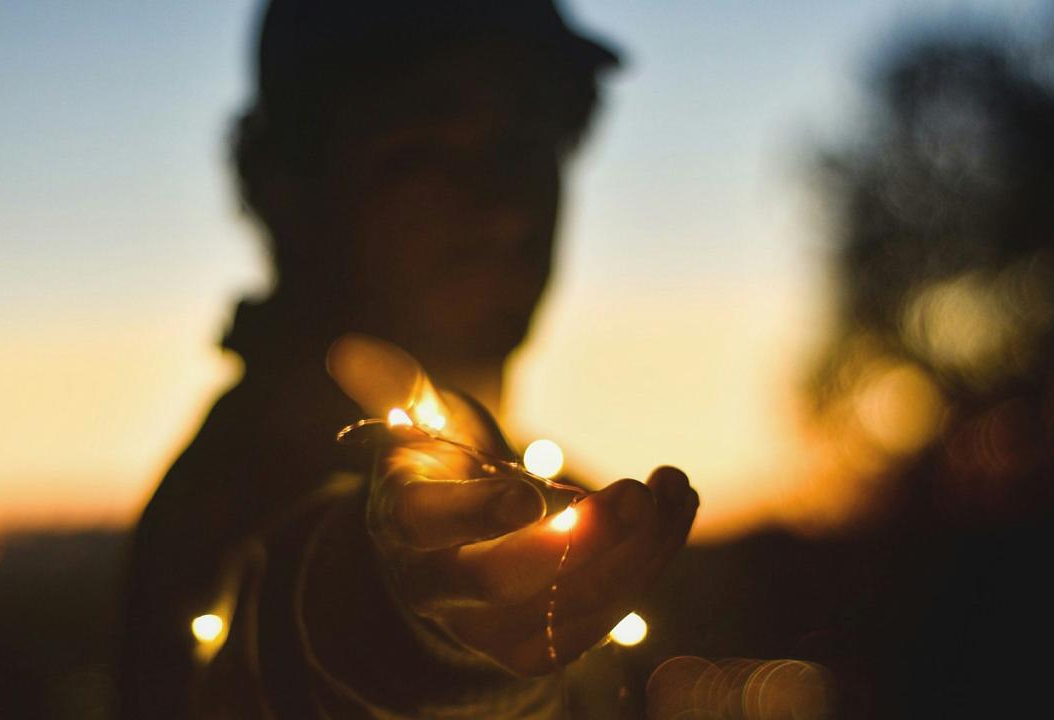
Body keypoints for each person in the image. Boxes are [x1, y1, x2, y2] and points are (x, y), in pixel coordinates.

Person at [116, 1, 698, 717]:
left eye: (527, 139)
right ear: (285, 186)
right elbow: (291, 642)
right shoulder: (231, 506)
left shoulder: (566, 517)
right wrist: (406, 621)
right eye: (422, 147)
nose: (501, 208)